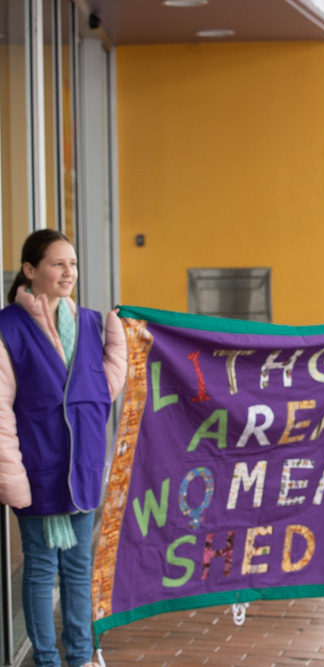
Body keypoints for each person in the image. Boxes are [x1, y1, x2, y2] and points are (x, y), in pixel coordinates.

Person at [0, 230, 127, 667]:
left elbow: (97, 395)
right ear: (31, 270)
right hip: (39, 468)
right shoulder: (7, 328)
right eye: (58, 264)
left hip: (83, 467)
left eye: (72, 264)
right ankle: (47, 661)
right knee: (40, 569)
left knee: (78, 569)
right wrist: (11, 476)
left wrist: (118, 354)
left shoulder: (90, 322)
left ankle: (81, 656)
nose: (69, 272)